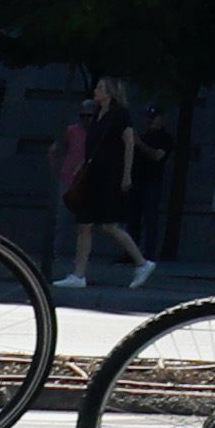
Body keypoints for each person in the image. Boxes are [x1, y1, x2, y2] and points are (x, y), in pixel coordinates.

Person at [54, 74, 161, 296]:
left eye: (100, 87)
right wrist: (81, 166)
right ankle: (79, 274)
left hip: (108, 175)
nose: (96, 90)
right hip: (93, 175)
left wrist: (126, 174)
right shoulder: (97, 115)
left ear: (110, 92)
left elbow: (129, 142)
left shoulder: (119, 115)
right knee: (84, 224)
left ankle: (142, 262)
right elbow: (94, 146)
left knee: (107, 224)